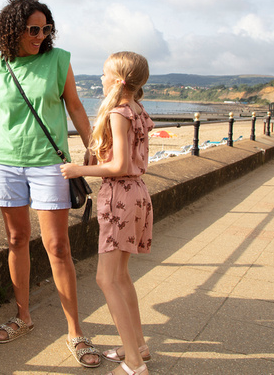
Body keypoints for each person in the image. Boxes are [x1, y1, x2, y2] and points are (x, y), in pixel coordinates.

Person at [0, 0, 101, 368]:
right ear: (12, 29)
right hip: (6, 163)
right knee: (15, 239)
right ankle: (23, 316)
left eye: (46, 29)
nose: (40, 36)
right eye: (33, 29)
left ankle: (76, 331)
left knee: (57, 246)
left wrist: (91, 144)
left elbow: (74, 105)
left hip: (48, 163)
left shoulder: (59, 61)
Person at [61, 51, 154, 375]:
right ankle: (138, 344)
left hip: (120, 196)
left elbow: (119, 166)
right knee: (121, 277)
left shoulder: (118, 112)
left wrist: (78, 169)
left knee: (105, 279)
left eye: (104, 74)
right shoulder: (138, 109)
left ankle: (133, 361)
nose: (100, 79)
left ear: (117, 80)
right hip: (137, 194)